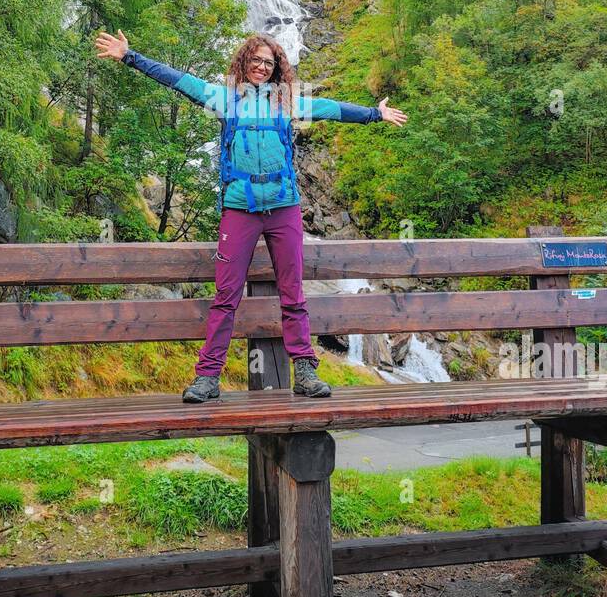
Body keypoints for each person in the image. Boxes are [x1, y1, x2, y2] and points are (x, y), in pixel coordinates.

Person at [95, 28, 407, 403]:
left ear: (276, 69)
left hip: (284, 207)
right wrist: (130, 57)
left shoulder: (286, 102)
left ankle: (305, 371)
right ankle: (208, 377)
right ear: (244, 62)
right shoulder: (224, 99)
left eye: (268, 62)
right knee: (225, 296)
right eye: (256, 60)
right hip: (240, 209)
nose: (261, 66)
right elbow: (178, 79)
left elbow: (331, 109)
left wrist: (375, 114)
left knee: (293, 293)